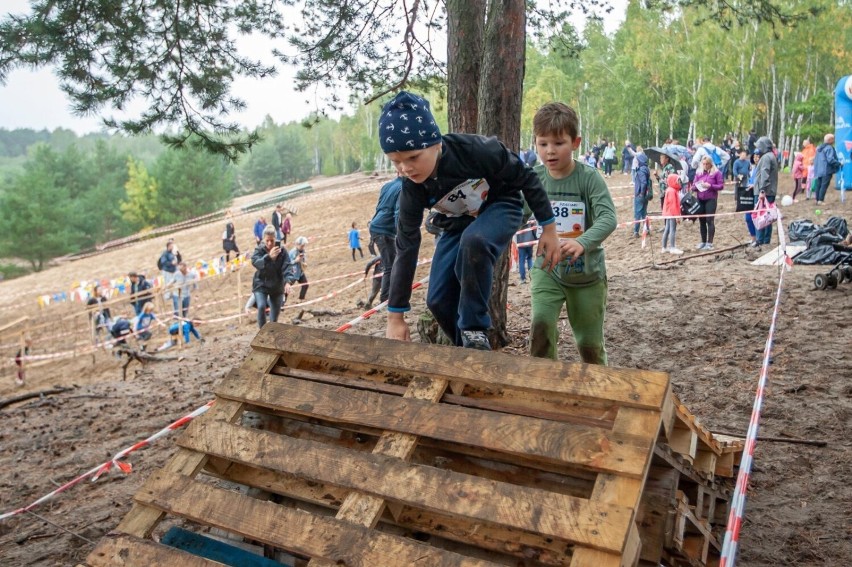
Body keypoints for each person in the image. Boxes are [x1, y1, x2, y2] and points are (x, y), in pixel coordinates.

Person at [379, 91, 559, 350]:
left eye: (413, 157)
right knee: (438, 299)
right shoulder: (411, 188)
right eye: (396, 162)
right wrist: (395, 316)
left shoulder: (476, 150)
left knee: (475, 241)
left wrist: (549, 229)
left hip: (501, 204)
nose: (406, 168)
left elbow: (527, 178)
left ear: (436, 144)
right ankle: (469, 348)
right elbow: (406, 246)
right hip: (456, 220)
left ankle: (474, 328)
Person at [529, 102, 617, 364]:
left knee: (589, 345)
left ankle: (597, 393)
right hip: (547, 269)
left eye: (558, 143)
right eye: (543, 144)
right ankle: (544, 388)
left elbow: (609, 217)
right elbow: (514, 212)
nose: (550, 151)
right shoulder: (534, 179)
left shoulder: (589, 178)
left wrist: (583, 242)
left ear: (575, 142)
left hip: (587, 275)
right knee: (541, 327)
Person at [251, 225, 296, 328]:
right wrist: (268, 257)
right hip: (261, 284)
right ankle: (261, 332)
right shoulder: (259, 250)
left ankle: (271, 333)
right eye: (267, 241)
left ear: (276, 239)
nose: (270, 243)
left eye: (272, 240)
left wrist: (288, 282)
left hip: (277, 285)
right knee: (261, 306)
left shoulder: (282, 251)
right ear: (263, 240)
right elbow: (256, 263)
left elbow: (288, 266)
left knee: (274, 318)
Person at [369, 176, 402, 304]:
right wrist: (401, 235)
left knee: (391, 263)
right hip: (385, 229)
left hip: (376, 225)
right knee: (390, 265)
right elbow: (398, 213)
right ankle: (385, 298)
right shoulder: (403, 188)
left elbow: (379, 206)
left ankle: (387, 296)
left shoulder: (387, 185)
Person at [693, 155, 724, 250]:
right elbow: (693, 186)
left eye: (707, 164)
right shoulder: (698, 173)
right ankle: (703, 241)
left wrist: (710, 186)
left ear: (711, 164)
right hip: (700, 198)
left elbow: (721, 186)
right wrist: (697, 186)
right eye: (704, 164)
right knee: (701, 221)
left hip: (711, 199)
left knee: (709, 220)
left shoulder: (717, 173)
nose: (705, 165)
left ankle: (709, 243)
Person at [753, 136, 779, 246]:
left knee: (761, 216)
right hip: (770, 191)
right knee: (767, 216)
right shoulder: (771, 156)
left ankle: (759, 240)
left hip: (764, 192)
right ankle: (765, 240)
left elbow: (765, 174)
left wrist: (762, 190)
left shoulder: (766, 158)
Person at [733, 149, 756, 246]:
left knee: (752, 217)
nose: (743, 156)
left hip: (749, 185)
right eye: (742, 154)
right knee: (738, 190)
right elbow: (734, 170)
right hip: (739, 179)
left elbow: (750, 172)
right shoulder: (736, 162)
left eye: (744, 155)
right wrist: (738, 176)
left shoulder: (749, 165)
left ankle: (756, 238)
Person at [813, 134, 841, 205]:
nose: (834, 141)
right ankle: (820, 200)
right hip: (826, 170)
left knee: (818, 185)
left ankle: (817, 200)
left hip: (819, 170)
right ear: (830, 140)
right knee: (824, 185)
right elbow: (830, 159)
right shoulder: (829, 148)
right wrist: (838, 163)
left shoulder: (819, 148)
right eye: (833, 139)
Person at [661, 173, 683, 255]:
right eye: (677, 181)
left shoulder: (670, 190)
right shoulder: (672, 191)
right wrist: (677, 216)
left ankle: (664, 247)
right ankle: (672, 247)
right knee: (672, 230)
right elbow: (673, 205)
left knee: (667, 229)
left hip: (668, 214)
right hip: (672, 214)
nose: (679, 182)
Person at [632, 151, 651, 238]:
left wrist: (641, 193)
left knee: (638, 214)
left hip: (640, 195)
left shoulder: (641, 170)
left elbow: (643, 182)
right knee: (644, 213)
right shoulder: (646, 169)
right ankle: (647, 229)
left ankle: (636, 231)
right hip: (645, 195)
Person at [288, 236, 310, 302]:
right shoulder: (292, 252)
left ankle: (301, 299)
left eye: (304, 246)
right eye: (302, 246)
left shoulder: (303, 251)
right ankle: (281, 303)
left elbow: (304, 259)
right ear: (297, 244)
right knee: (287, 288)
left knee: (305, 285)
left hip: (300, 272)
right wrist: (295, 260)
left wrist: (303, 263)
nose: (303, 247)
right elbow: (287, 263)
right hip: (292, 273)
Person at [516, 218, 536, 284]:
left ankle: (523, 278)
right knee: (529, 258)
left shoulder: (518, 215)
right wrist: (535, 238)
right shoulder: (531, 216)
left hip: (520, 241)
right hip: (530, 240)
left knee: (521, 260)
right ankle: (532, 277)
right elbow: (534, 228)